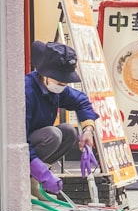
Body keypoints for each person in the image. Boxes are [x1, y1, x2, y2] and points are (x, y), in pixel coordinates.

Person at [25, 41, 99, 196]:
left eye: (65, 82)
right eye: (59, 81)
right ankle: (32, 175)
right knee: (53, 134)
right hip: (20, 146)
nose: (62, 85)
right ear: (45, 74)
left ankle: (33, 180)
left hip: (37, 142)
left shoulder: (56, 89)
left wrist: (88, 130)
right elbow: (20, 139)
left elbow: (82, 101)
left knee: (68, 132)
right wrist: (43, 173)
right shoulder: (27, 91)